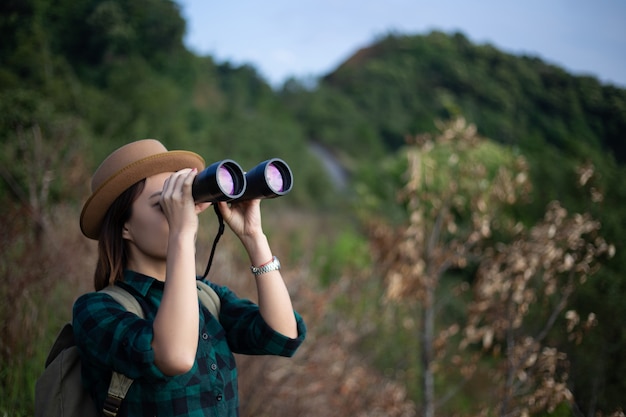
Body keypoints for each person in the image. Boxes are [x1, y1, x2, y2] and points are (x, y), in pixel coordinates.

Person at [73, 139, 306, 416]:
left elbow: (282, 336)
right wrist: (181, 234)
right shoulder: (96, 310)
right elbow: (175, 357)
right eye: (165, 205)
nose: (182, 214)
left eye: (184, 202)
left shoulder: (206, 298)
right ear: (125, 226)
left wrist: (254, 237)